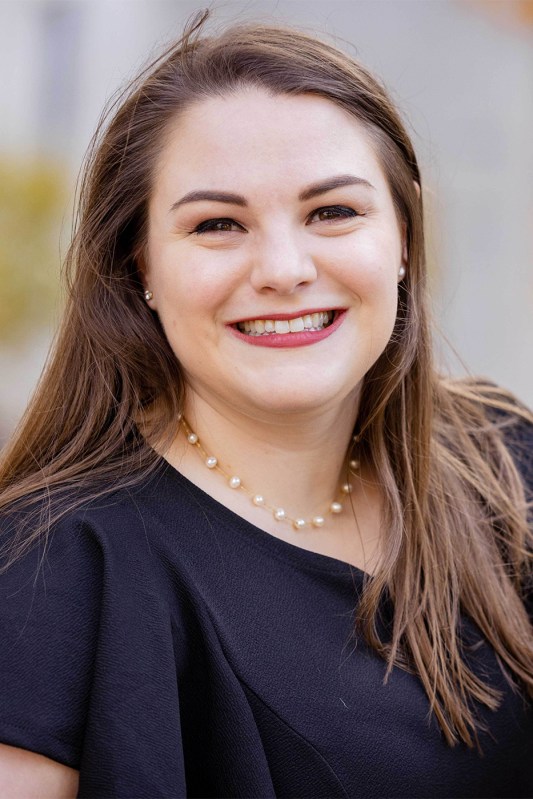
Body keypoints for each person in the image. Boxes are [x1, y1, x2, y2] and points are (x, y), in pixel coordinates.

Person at [0, 11, 532, 798]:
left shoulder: (502, 457)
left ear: (403, 236)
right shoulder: (53, 563)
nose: (283, 268)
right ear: (140, 262)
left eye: (333, 212)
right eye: (217, 224)